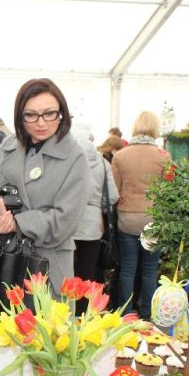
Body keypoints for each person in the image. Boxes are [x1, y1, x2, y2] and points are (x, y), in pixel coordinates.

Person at [0, 78, 89, 294]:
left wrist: (19, 223)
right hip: (6, 260)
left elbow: (65, 220)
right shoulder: (7, 146)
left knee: (49, 325)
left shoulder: (74, 156)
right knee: (4, 323)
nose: (41, 122)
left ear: (61, 113)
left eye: (49, 113)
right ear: (19, 116)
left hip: (49, 264)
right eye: (31, 115)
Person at [111, 112, 170, 318]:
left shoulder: (120, 156)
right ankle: (147, 314)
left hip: (127, 219)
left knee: (127, 269)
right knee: (149, 269)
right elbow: (169, 191)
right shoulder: (163, 156)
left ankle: (126, 313)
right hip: (154, 219)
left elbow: (114, 191)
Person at [73, 126, 118, 308]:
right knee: (88, 272)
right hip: (93, 225)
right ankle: (84, 313)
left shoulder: (67, 160)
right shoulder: (102, 163)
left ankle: (66, 311)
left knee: (68, 273)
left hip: (68, 222)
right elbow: (113, 196)